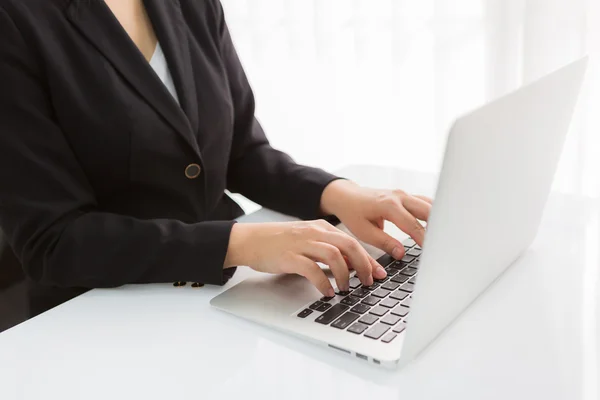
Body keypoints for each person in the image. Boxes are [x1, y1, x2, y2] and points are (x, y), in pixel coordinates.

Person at [0, 0, 432, 318]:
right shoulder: (15, 21)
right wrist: (238, 244)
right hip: (100, 315)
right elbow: (51, 241)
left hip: (221, 299)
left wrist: (339, 194)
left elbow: (241, 151)